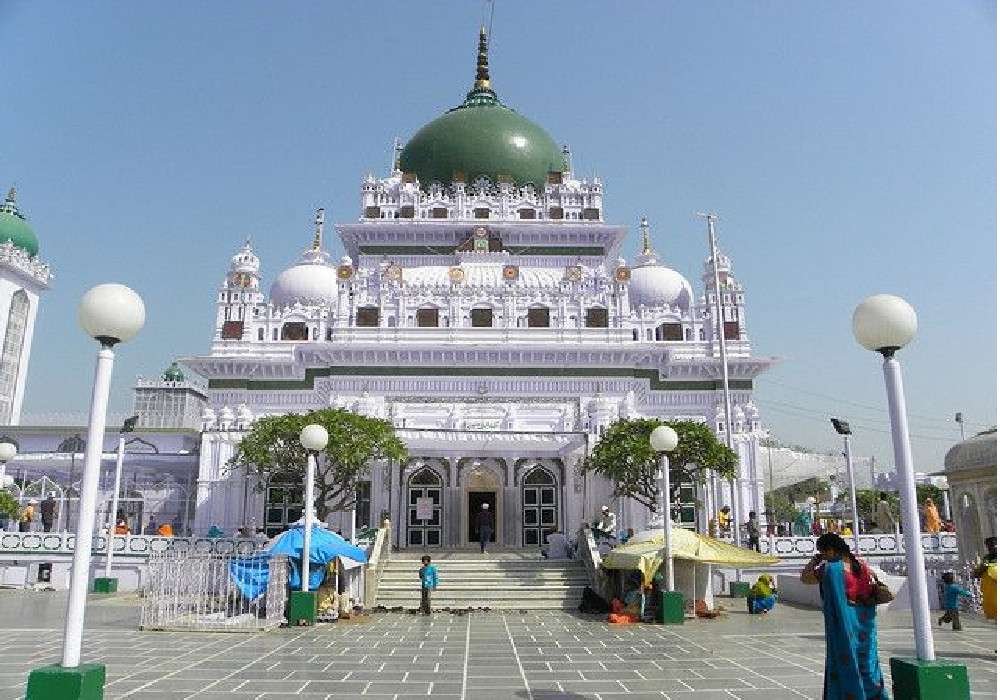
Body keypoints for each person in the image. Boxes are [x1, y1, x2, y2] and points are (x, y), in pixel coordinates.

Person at [800, 532, 888, 700]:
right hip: (865, 625)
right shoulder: (862, 566)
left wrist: (814, 561)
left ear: (831, 550)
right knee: (868, 663)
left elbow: (805, 578)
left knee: (847, 662)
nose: (823, 556)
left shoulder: (830, 569)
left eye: (824, 552)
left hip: (844, 626)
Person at [973, 536, 997, 620]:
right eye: (989, 546)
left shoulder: (988, 558)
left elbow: (980, 571)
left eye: (993, 545)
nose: (992, 547)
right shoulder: (987, 558)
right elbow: (980, 571)